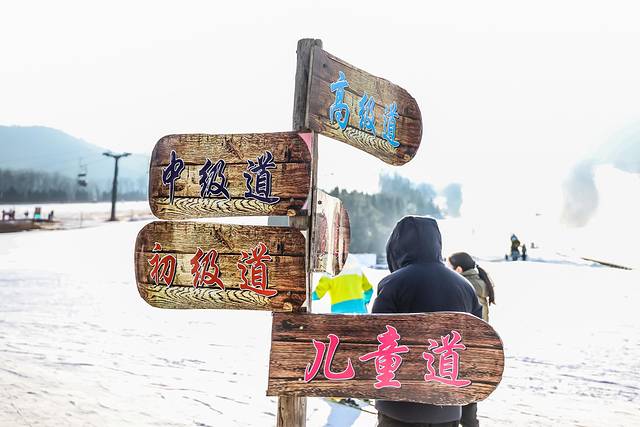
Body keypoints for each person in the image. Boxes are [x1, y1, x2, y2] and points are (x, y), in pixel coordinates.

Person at [373, 216, 482, 427]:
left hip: (397, 407)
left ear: (396, 247)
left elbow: (375, 341)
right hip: (448, 407)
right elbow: (474, 353)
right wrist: (469, 416)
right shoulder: (465, 287)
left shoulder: (393, 284)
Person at [448, 252, 495, 322]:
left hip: (472, 327)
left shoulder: (463, 285)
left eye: (449, 267)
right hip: (481, 326)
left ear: (458, 269)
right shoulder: (479, 280)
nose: (447, 270)